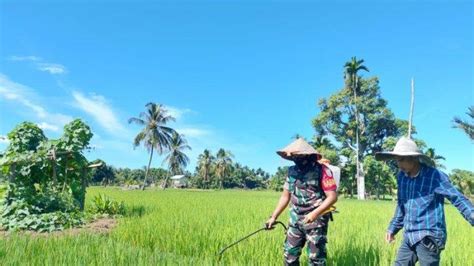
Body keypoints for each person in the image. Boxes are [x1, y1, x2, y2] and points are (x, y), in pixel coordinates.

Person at [375, 137, 474, 266]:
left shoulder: (434, 176)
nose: (399, 165)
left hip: (429, 235)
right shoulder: (402, 177)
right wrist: (392, 228)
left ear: (414, 158)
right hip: (409, 235)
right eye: (397, 160)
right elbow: (401, 205)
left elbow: (457, 198)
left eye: (401, 160)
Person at [266, 138, 337, 266]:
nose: (295, 159)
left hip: (316, 221)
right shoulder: (292, 171)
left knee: (316, 260)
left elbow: (332, 197)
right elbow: (285, 197)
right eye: (293, 156)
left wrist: (314, 214)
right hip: (295, 220)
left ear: (307, 155)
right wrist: (273, 217)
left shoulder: (322, 170)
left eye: (297, 156)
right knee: (289, 256)